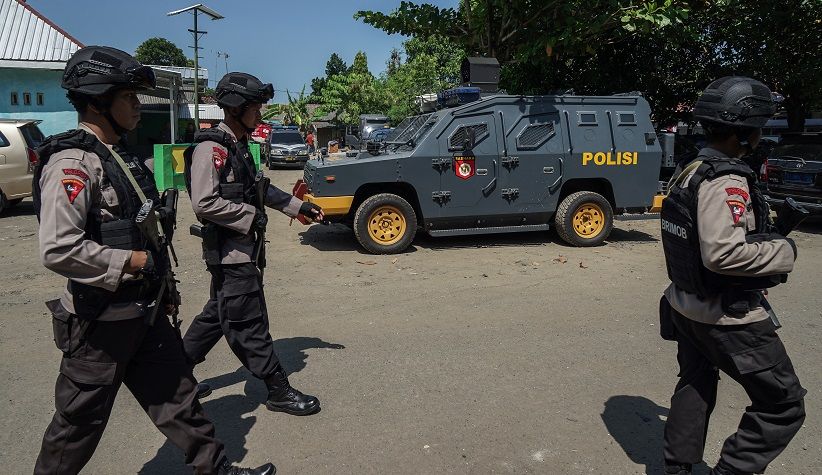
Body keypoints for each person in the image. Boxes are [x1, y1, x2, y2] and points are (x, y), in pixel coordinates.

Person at [32, 46, 274, 475]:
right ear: (97, 102)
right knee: (76, 426)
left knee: (180, 399)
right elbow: (58, 247)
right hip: (99, 323)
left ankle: (217, 468)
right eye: (128, 97)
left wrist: (163, 287)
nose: (137, 106)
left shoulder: (119, 156)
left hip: (144, 311)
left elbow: (147, 230)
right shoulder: (73, 164)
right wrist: (132, 262)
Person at [659, 77, 805, 475]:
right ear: (745, 132)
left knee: (695, 383)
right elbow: (722, 254)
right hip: (725, 316)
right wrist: (783, 251)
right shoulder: (725, 179)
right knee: (783, 404)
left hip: (684, 305)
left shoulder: (691, 168)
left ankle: (678, 467)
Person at [183, 72, 325, 415]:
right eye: (255, 108)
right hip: (230, 254)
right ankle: (278, 390)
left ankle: (173, 378)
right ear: (236, 108)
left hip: (243, 252)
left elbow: (261, 189)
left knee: (216, 316)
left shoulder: (240, 146)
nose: (260, 114)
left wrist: (299, 207)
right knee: (250, 324)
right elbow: (204, 202)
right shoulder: (212, 149)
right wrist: (250, 216)